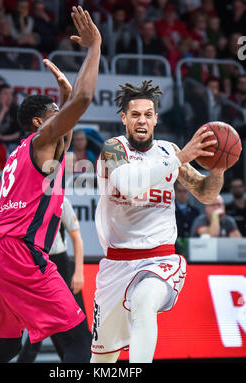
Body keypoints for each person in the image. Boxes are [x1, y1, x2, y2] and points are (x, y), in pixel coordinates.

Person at [0, 5, 101, 364]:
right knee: (79, 341)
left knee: (7, 347)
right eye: (54, 118)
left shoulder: (23, 151)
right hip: (18, 253)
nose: (63, 124)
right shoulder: (42, 141)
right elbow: (84, 100)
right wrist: (94, 48)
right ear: (38, 123)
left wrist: (63, 102)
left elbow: (70, 116)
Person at [90, 80, 229, 363]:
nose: (142, 120)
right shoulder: (113, 149)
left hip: (159, 259)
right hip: (116, 264)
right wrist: (181, 158)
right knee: (102, 361)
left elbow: (205, 193)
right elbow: (128, 185)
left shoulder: (169, 150)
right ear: (124, 119)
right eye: (135, 114)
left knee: (143, 303)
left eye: (148, 114)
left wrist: (218, 169)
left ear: (156, 118)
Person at [17, 196, 90, 362]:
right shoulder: (27, 199)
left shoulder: (61, 200)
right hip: (34, 263)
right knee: (42, 320)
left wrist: (79, 272)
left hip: (60, 263)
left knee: (75, 321)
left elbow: (76, 237)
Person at [174, 180, 200, 257]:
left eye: (185, 191)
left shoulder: (195, 212)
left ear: (188, 193)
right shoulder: (169, 211)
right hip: (175, 247)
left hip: (193, 247)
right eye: (179, 191)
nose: (182, 194)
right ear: (174, 192)